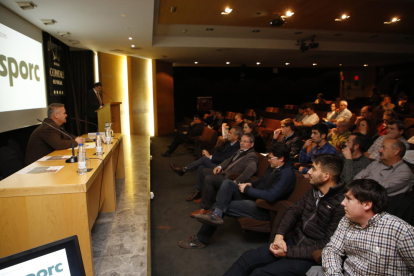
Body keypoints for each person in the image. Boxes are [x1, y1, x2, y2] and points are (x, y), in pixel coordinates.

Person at [223, 154, 345, 276]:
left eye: (314, 169)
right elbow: (293, 211)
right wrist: (279, 236)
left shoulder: (342, 204)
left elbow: (326, 244)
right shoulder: (314, 190)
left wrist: (288, 252)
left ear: (326, 176)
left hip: (310, 256)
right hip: (295, 241)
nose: (309, 172)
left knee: (260, 273)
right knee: (248, 258)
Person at [178, 143, 296, 249]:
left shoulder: (286, 175)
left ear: (281, 159)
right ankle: (216, 214)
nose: (269, 160)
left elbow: (271, 196)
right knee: (228, 184)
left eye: (271, 158)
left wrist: (248, 189)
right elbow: (262, 181)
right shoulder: (275, 166)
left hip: (264, 208)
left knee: (224, 204)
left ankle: (201, 238)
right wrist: (250, 184)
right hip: (255, 197)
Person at [322, 179, 414, 275]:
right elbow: (332, 250)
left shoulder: (400, 230)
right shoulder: (346, 220)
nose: (342, 203)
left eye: (348, 199)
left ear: (367, 205)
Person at [191, 133, 258, 216]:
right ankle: (204, 196)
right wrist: (220, 166)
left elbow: (251, 169)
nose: (242, 143)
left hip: (230, 178)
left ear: (251, 144)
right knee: (204, 170)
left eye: (245, 142)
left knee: (209, 179)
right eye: (241, 141)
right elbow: (228, 159)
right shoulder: (240, 150)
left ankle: (207, 208)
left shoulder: (251, 155)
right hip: (225, 172)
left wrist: (237, 181)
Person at [170, 126, 242, 201]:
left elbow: (224, 159)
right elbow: (217, 150)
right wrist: (207, 152)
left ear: (236, 136)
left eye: (231, 133)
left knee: (204, 159)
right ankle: (198, 191)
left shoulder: (237, 147)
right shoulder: (228, 142)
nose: (228, 133)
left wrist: (210, 156)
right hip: (217, 162)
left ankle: (184, 169)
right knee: (201, 167)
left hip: (222, 167)